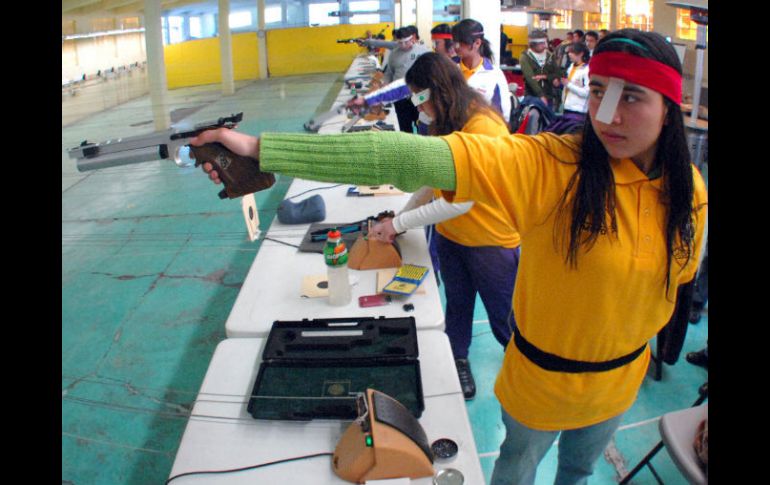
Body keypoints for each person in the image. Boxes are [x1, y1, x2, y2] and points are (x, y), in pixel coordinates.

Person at [191, 29, 708, 485]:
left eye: (631, 96)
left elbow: (665, 290)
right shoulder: (551, 167)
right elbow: (404, 156)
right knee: (517, 469)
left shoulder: (690, 194)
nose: (607, 113)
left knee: (579, 473)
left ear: (671, 105)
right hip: (542, 388)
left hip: (618, 386)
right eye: (598, 91)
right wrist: (262, 149)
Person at [369, 52, 520, 400]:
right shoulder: (448, 120)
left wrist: (400, 223)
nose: (418, 106)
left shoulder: (483, 127)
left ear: (439, 90)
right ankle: (458, 359)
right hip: (452, 236)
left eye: (419, 97)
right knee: (458, 306)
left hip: (490, 243)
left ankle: (523, 368)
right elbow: (434, 180)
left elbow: (460, 201)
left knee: (504, 316)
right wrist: (399, 220)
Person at [357, 26, 430, 132]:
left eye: (406, 42)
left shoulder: (423, 51)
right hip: (400, 97)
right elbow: (389, 73)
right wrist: (385, 82)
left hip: (419, 95)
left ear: (412, 38)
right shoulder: (394, 54)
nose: (403, 45)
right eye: (400, 43)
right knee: (403, 125)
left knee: (421, 121)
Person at [451, 19, 512, 124]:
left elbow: (503, 115)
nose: (456, 47)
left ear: (477, 43)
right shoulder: (449, 69)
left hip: (481, 131)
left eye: (461, 43)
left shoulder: (494, 75)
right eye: (455, 42)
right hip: (452, 131)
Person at [545, 42, 591, 134]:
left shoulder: (587, 70)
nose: (569, 54)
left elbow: (587, 93)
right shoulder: (571, 67)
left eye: (572, 52)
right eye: (569, 52)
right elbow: (568, 85)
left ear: (581, 54)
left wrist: (568, 84)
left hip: (579, 111)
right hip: (567, 107)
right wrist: (560, 84)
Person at [519, 29, 558, 109]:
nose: (545, 46)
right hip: (532, 96)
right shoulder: (525, 57)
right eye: (542, 43)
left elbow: (556, 73)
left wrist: (548, 77)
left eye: (546, 42)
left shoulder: (550, 56)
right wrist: (541, 95)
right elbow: (530, 78)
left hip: (549, 95)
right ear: (533, 44)